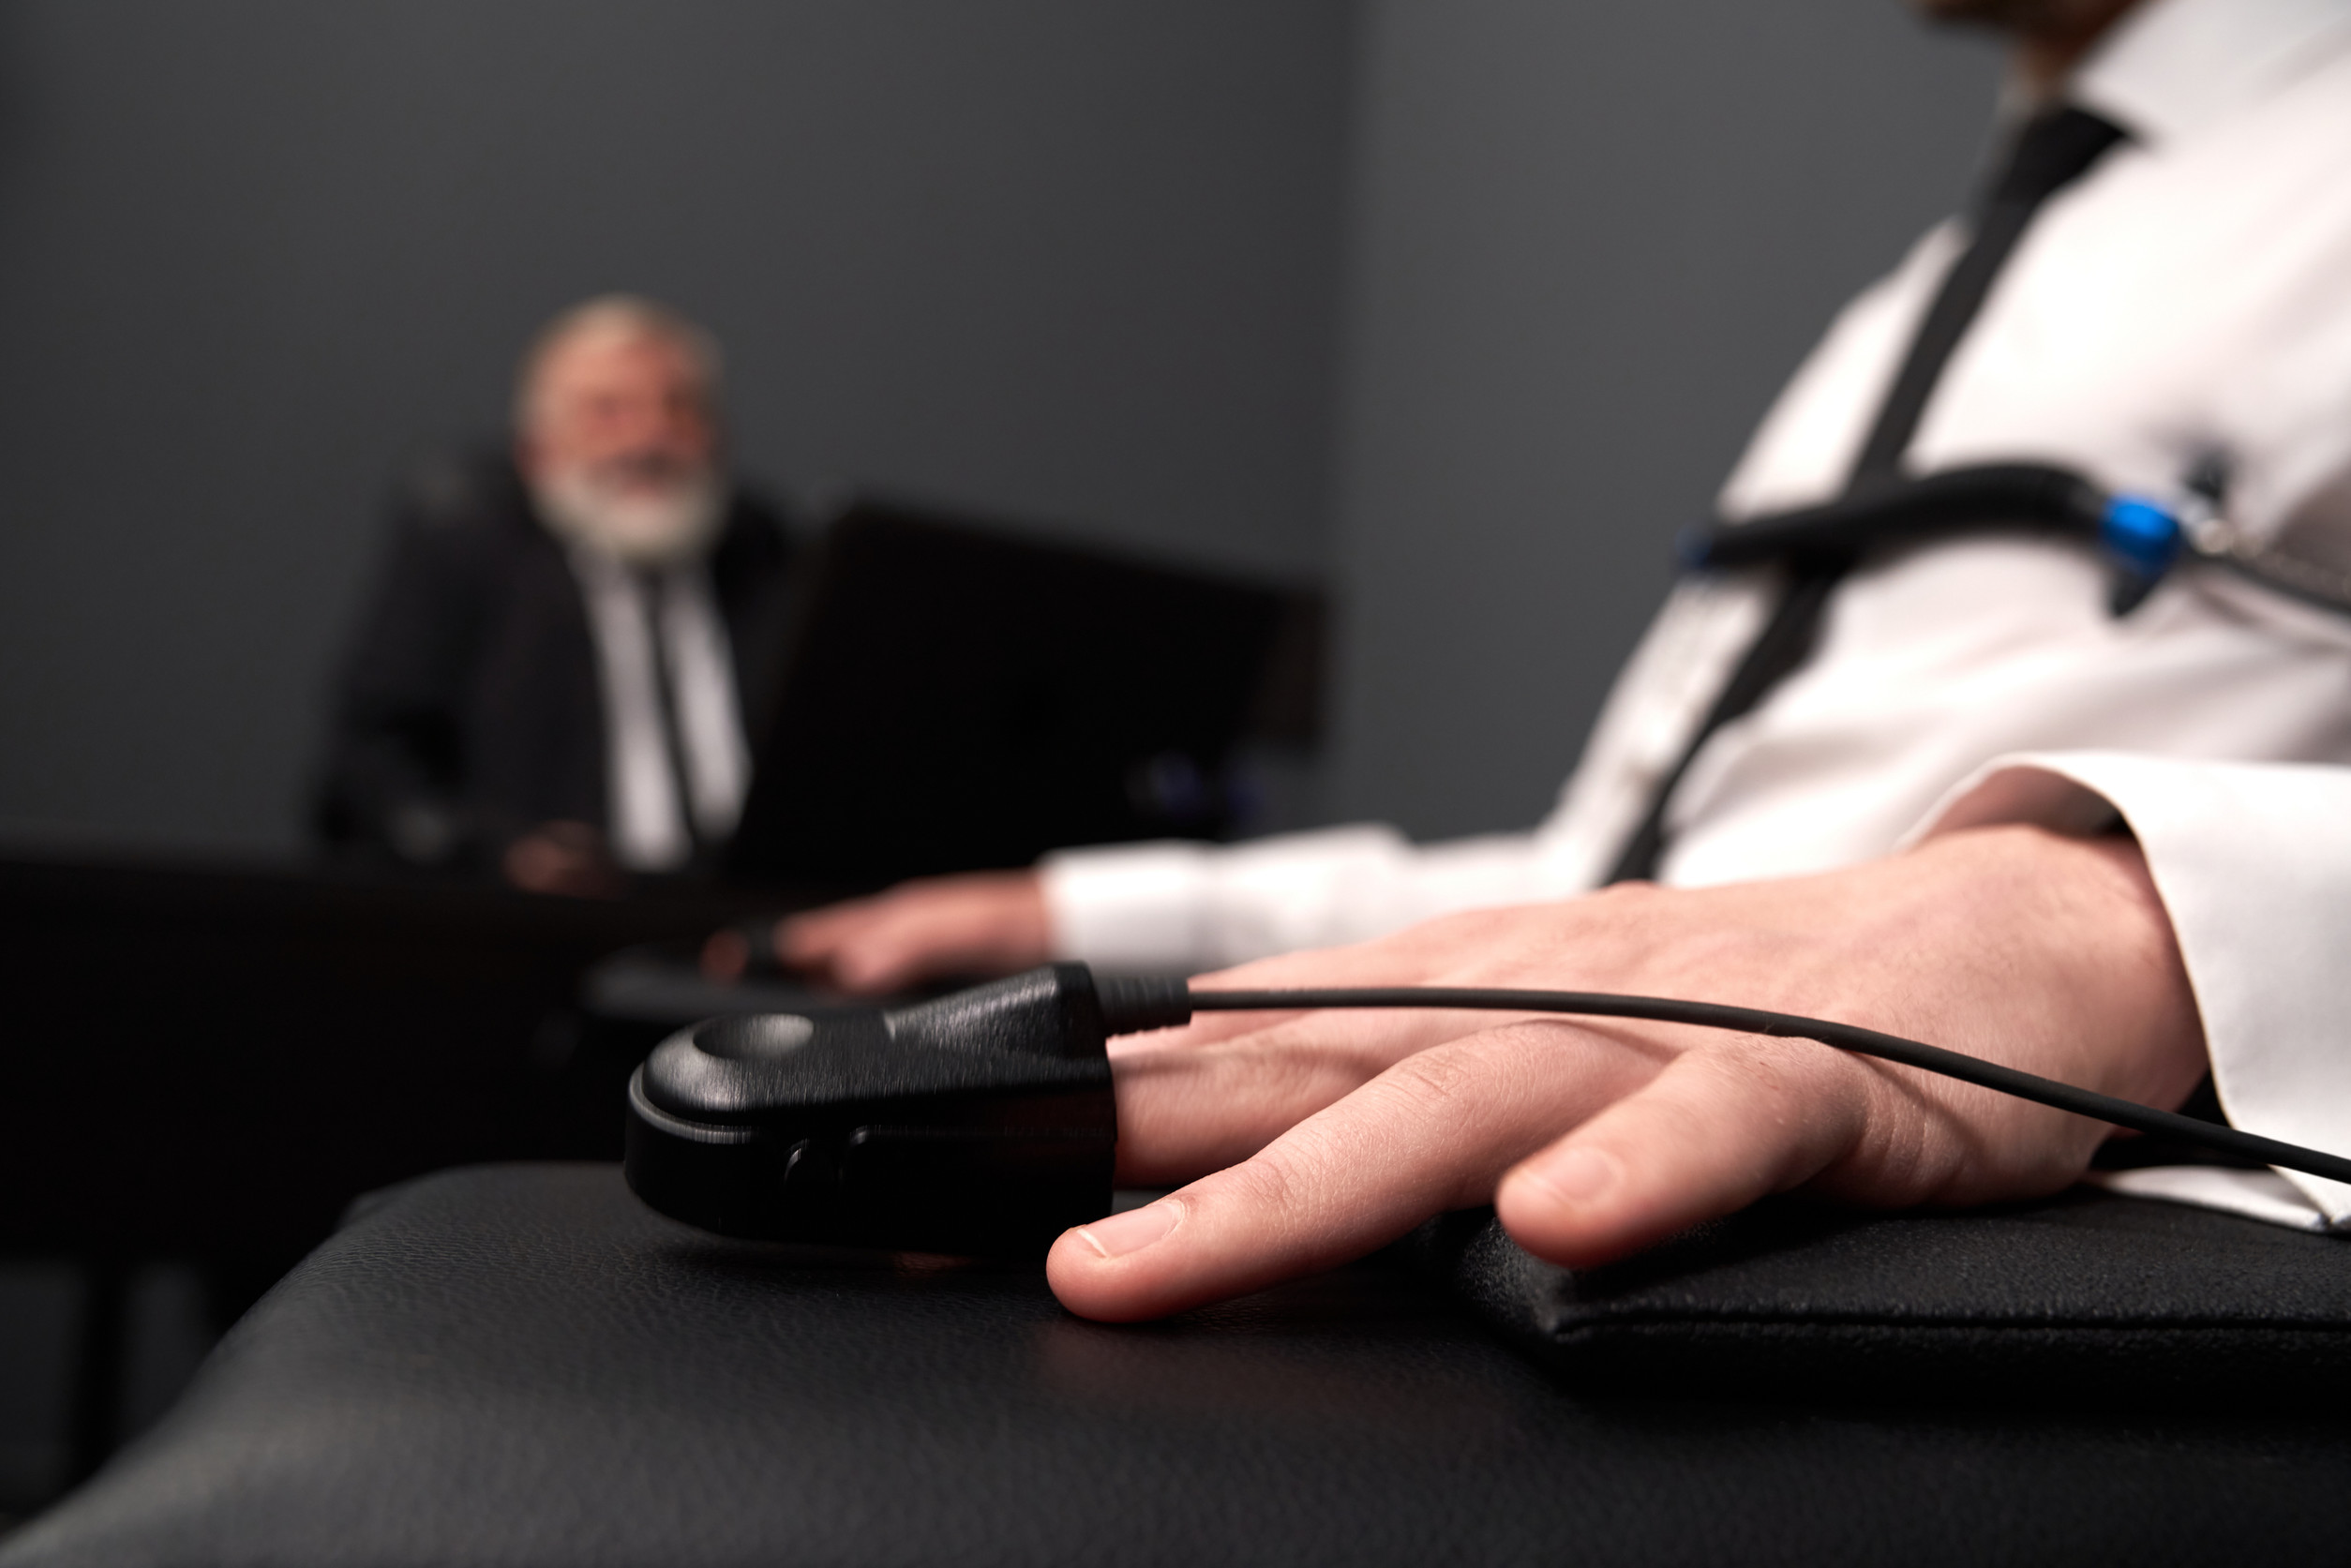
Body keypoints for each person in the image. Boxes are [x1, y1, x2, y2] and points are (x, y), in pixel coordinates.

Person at [766, 0, 2351, 1321]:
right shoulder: (1930, 287)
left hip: (1928, 1244)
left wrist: (2117, 924)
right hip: (1577, 1188)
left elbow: (1817, 952)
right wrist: (1090, 917)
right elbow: (1630, 901)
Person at [318, 296, 797, 894]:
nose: (650, 437)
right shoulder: (472, 547)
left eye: (680, 408)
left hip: (748, 909)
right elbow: (371, 764)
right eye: (607, 412)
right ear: (536, 453)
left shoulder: (766, 555)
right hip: (542, 924)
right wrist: (499, 852)